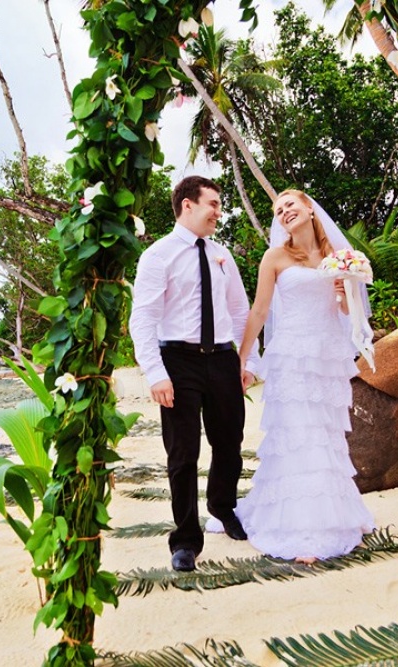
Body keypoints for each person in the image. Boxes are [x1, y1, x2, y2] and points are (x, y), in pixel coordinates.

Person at [208, 188, 374, 562]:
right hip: (291, 357)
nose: (284, 212)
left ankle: (336, 516)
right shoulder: (275, 257)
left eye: (290, 205)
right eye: (279, 210)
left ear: (310, 209)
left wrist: (343, 291)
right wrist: (242, 358)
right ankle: (302, 530)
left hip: (326, 358)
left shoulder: (338, 256)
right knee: (298, 435)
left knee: (326, 436)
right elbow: (259, 311)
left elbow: (348, 312)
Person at [128, 175, 259, 573]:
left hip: (222, 359)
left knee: (230, 441)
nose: (218, 212)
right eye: (213, 204)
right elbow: (143, 317)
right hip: (178, 361)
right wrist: (155, 373)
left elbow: (240, 310)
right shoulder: (158, 255)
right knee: (183, 454)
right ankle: (185, 540)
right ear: (188, 205)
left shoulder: (222, 254)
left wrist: (248, 361)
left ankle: (222, 506)